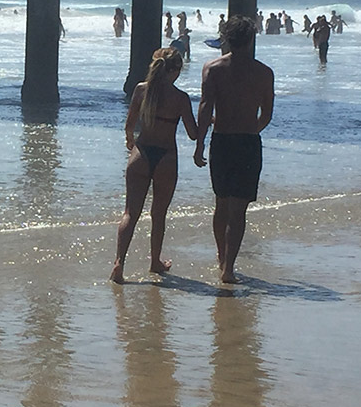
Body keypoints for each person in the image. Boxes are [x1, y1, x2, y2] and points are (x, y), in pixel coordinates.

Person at [193, 16, 274, 284]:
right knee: (238, 209)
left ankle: (221, 256)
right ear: (251, 39)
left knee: (221, 203)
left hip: (222, 140)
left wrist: (200, 142)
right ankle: (228, 268)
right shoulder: (264, 72)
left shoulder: (213, 68)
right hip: (248, 142)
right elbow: (267, 114)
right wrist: (252, 130)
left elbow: (205, 108)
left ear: (226, 38)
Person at [110, 48, 199, 283]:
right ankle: (155, 262)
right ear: (176, 71)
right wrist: (208, 121)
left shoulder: (141, 90)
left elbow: (129, 125)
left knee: (130, 213)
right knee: (159, 214)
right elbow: (192, 134)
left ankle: (119, 263)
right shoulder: (180, 98)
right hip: (166, 158)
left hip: (141, 154)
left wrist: (130, 141)